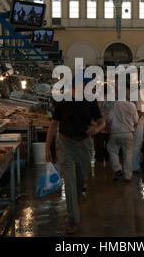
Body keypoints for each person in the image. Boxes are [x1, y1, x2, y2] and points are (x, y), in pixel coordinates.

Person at [45, 75, 105, 235]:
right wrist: (47, 148)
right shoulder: (63, 100)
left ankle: (73, 206)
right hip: (66, 144)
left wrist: (96, 129)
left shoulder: (90, 100)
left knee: (80, 181)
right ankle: (73, 219)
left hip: (84, 144)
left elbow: (101, 122)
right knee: (70, 183)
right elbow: (53, 124)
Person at [107, 86, 139, 183]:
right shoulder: (132, 106)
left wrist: (107, 124)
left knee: (112, 150)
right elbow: (136, 121)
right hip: (128, 134)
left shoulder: (115, 105)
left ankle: (117, 169)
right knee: (128, 154)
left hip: (115, 133)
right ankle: (128, 176)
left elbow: (109, 118)